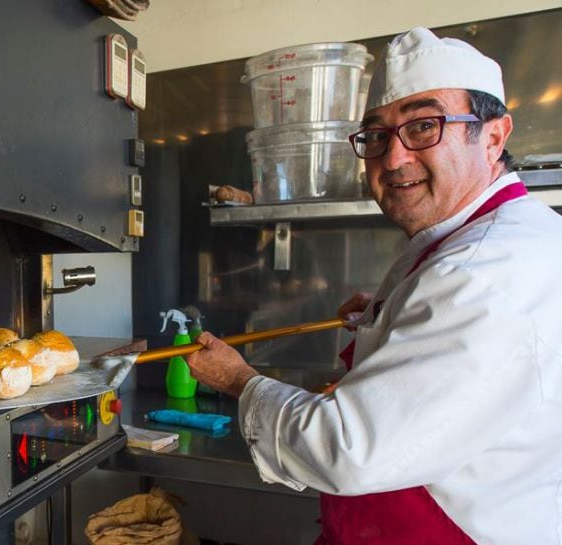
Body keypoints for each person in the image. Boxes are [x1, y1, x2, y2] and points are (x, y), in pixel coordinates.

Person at [186, 27, 562, 544]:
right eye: (378, 136)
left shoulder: (479, 273)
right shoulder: (504, 238)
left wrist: (238, 380)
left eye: (425, 126)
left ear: (493, 136)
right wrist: (396, 313)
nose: (393, 158)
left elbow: (349, 450)